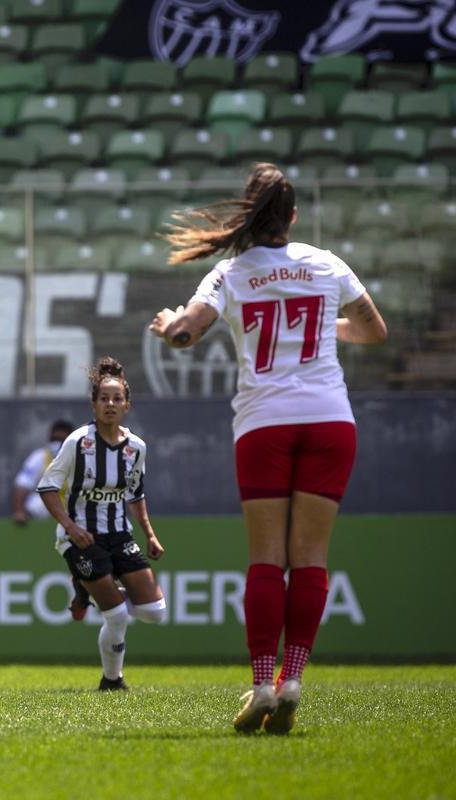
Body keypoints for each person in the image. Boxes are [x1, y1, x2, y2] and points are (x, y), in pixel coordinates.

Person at [148, 162, 387, 734]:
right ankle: (293, 679)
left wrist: (166, 327)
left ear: (248, 214)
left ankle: (260, 684)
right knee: (310, 559)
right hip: (331, 420)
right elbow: (375, 330)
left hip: (265, 424)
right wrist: (327, 328)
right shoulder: (326, 263)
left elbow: (187, 333)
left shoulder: (230, 273)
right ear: (294, 217)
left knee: (266, 560)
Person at [36, 357, 167, 691]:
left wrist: (150, 534)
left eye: (117, 399)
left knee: (155, 612)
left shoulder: (136, 447)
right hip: (81, 538)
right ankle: (112, 681)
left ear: (127, 404)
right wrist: (71, 527)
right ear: (94, 404)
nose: (110, 404)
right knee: (118, 615)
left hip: (120, 533)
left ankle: (89, 589)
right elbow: (47, 487)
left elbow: (136, 494)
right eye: (104, 399)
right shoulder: (79, 442)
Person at [12, 420, 95, 620]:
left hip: (75, 511)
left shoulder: (82, 458)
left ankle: (83, 589)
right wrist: (19, 511)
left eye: (62, 438)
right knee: (37, 502)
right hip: (47, 509)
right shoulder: (40, 457)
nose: (57, 443)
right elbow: (22, 484)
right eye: (55, 438)